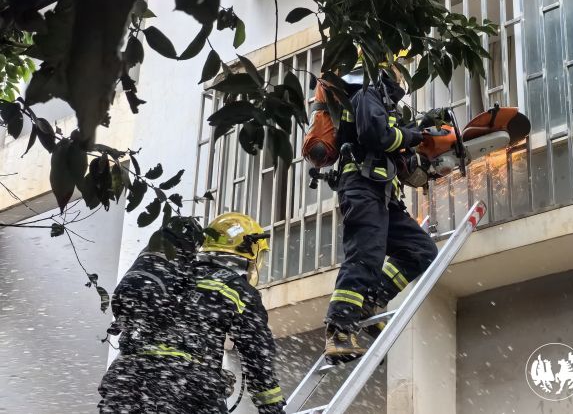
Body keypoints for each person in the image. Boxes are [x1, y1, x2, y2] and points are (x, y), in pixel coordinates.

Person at [99, 213, 285, 414]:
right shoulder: (236, 287)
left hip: (124, 380)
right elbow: (257, 353)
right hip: (184, 386)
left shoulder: (177, 275)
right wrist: (272, 407)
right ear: (248, 251)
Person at [324, 63, 439, 363]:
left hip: (383, 195)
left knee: (421, 250)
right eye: (398, 74)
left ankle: (370, 300)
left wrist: (418, 150)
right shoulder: (365, 93)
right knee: (364, 256)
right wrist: (414, 136)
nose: (400, 82)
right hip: (362, 190)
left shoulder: (380, 104)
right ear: (385, 75)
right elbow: (377, 136)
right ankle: (339, 330)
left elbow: (389, 145)